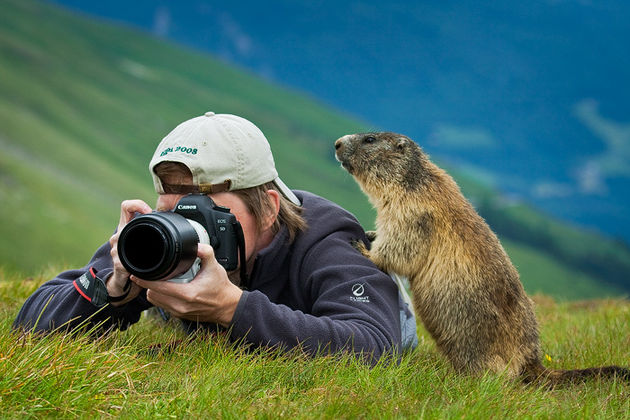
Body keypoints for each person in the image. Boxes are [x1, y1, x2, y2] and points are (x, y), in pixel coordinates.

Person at [13, 112, 417, 363]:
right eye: (173, 202)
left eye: (205, 206)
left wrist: (231, 308)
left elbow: (373, 345)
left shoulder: (325, 238)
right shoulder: (161, 233)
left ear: (269, 207)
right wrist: (113, 289)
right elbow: (29, 328)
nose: (189, 223)